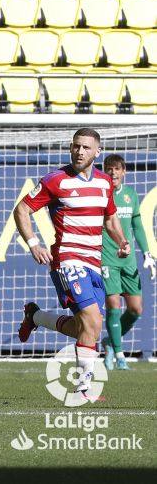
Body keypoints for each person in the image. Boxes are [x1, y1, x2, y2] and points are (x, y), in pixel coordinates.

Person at [15, 129, 130, 400]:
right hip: (67, 259)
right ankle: (83, 388)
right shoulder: (55, 180)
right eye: (76, 146)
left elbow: (110, 219)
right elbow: (22, 209)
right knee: (93, 319)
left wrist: (122, 241)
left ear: (97, 152)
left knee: (86, 328)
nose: (80, 152)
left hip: (94, 262)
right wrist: (34, 243)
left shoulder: (104, 183)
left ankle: (36, 317)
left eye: (86, 147)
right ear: (70, 147)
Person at [99, 154, 156, 370]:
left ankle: (109, 342)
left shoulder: (130, 195)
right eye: (109, 168)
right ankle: (119, 355)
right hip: (107, 256)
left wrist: (147, 253)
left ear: (124, 172)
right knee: (113, 305)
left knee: (135, 309)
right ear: (104, 171)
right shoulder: (100, 194)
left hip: (128, 259)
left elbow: (138, 226)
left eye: (116, 169)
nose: (112, 172)